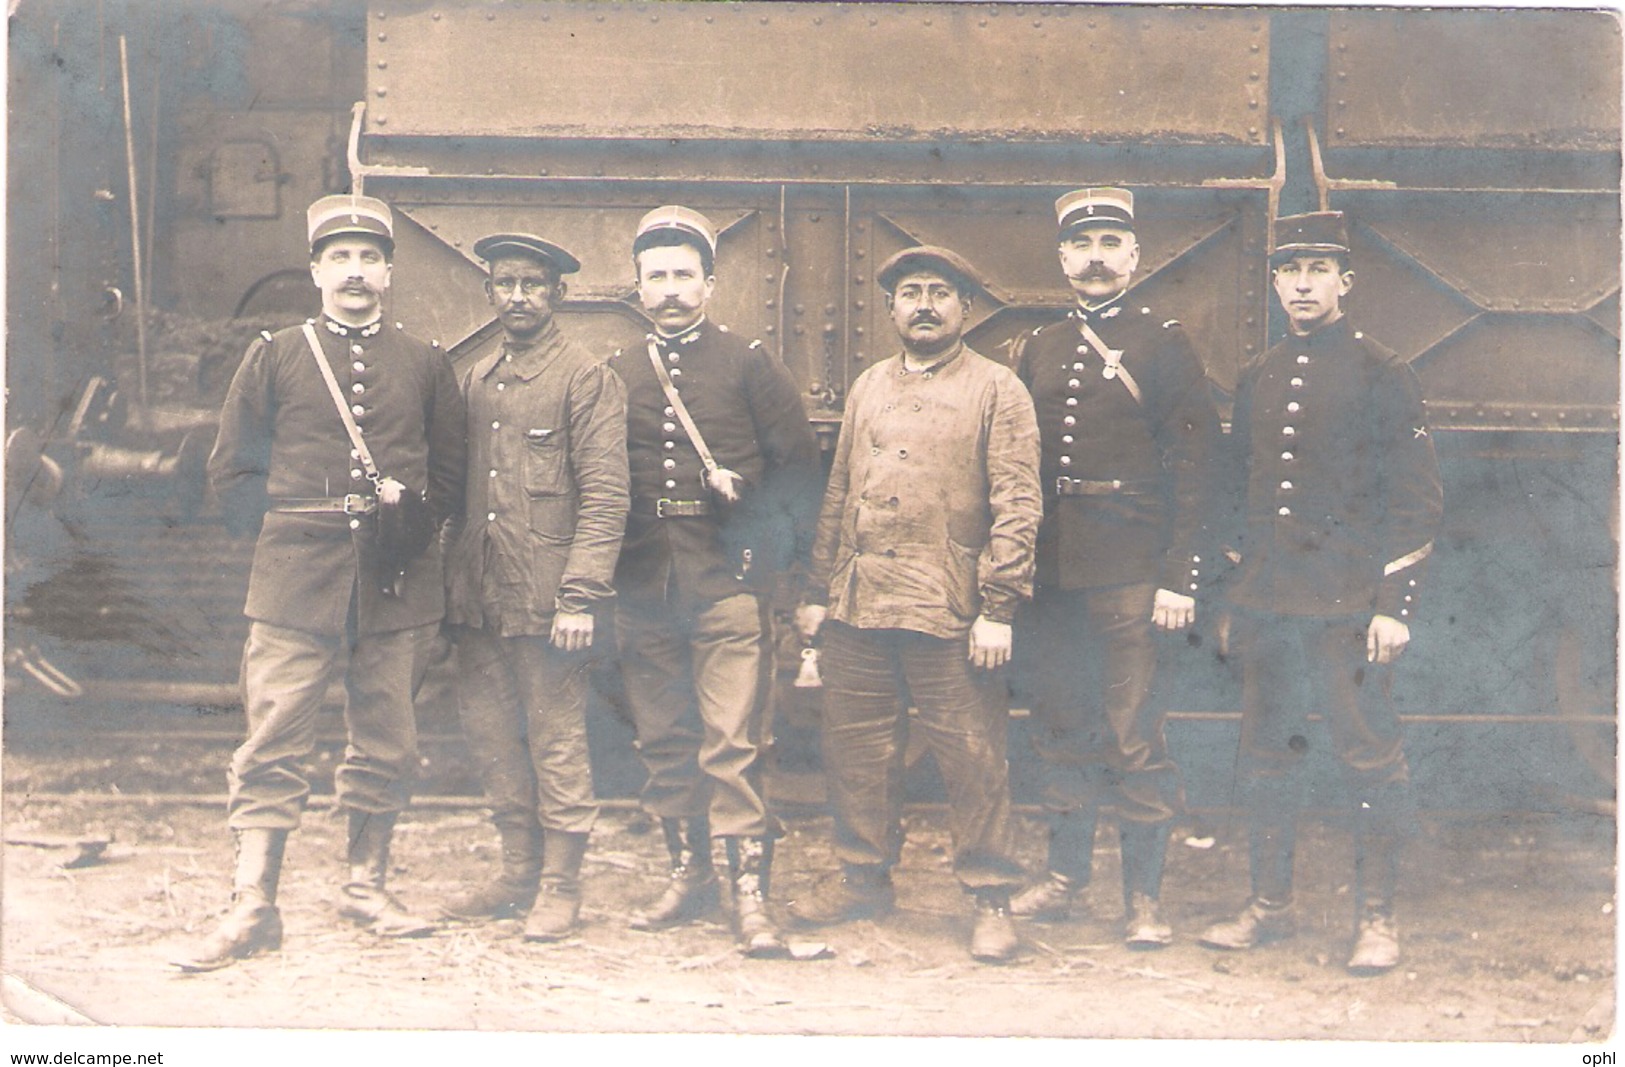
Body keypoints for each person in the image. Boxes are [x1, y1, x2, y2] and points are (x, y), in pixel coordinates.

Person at [177, 194, 466, 970]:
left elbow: (450, 481)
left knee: (390, 741)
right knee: (272, 738)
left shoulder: (426, 361)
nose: (356, 274)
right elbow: (232, 473)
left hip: (395, 579)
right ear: (314, 270)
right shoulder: (275, 354)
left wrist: (406, 526)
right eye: (339, 259)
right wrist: (288, 539)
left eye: (369, 259)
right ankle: (252, 901)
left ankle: (365, 883)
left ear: (390, 272)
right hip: (295, 579)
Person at [1198, 211, 1442, 974]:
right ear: (1273, 282)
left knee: (1367, 755)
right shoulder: (1260, 374)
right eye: (1288, 270)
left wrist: (1391, 607)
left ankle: (1376, 919)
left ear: (1344, 281)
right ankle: (1269, 906)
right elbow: (1239, 492)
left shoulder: (1381, 371)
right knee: (1267, 754)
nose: (1301, 284)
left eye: (1316, 270)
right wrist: (1238, 592)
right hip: (1272, 603)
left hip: (1346, 605)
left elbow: (1415, 498)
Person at [791, 245, 1042, 963]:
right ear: (891, 308)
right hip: (860, 604)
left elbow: (1017, 504)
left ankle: (990, 896)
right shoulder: (870, 384)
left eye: (939, 292)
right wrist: (819, 591)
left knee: (972, 756)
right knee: (857, 750)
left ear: (966, 308)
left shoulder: (998, 389)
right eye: (909, 292)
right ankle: (862, 878)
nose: (923, 304)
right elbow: (838, 491)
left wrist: (998, 606)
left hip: (951, 607)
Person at [1007, 188, 1220, 947]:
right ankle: (1064, 879)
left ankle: (1143, 902)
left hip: (1131, 567)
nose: (1095, 257)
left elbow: (1193, 465)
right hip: (1056, 571)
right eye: (1081, 244)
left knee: (1133, 734)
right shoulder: (1038, 344)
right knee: (1060, 726)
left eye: (1109, 243)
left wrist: (1177, 575)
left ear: (1134, 257)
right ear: (1062, 259)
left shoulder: (1163, 344)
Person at [611, 206, 820, 957]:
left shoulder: (746, 362)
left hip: (727, 581)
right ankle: (688, 872)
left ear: (709, 282)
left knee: (731, 742)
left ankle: (748, 895)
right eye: (656, 276)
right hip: (645, 583)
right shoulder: (619, 372)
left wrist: (760, 561)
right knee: (665, 738)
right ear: (637, 287)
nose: (670, 291)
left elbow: (798, 477)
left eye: (683, 276)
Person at [440, 233, 629, 942]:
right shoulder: (477, 380)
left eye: (532, 284)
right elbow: (462, 498)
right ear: (488, 292)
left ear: (559, 294)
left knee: (555, 740)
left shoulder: (586, 378)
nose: (517, 296)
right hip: (480, 595)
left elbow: (606, 499)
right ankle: (517, 871)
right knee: (492, 738)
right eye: (504, 283)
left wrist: (579, 596)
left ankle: (560, 886)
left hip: (549, 602)